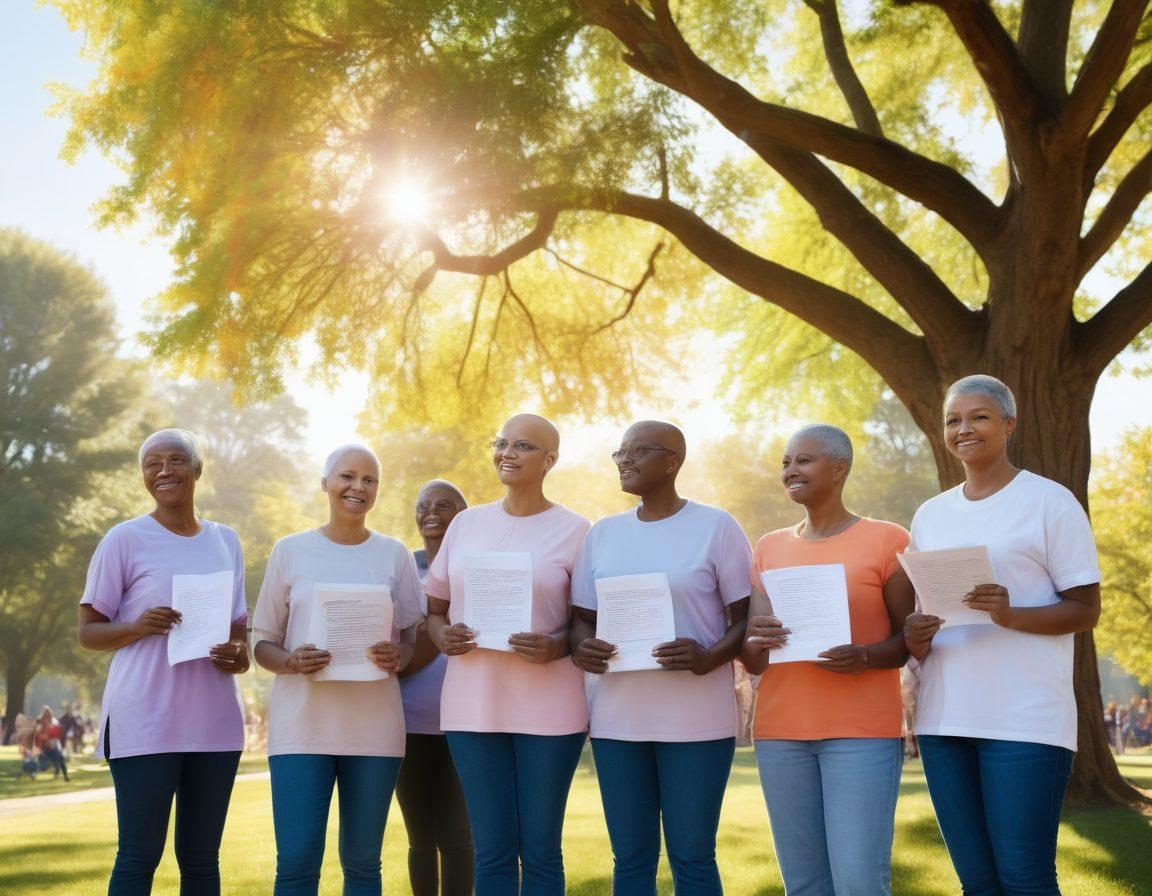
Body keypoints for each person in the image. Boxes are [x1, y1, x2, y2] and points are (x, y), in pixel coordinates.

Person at [903, 375, 1101, 895]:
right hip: (945, 718)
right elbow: (928, 612)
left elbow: (1085, 609)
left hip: (1026, 718)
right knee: (977, 882)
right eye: (953, 420)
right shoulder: (930, 514)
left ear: (1009, 425)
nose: (964, 428)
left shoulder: (1049, 502)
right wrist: (915, 633)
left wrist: (1013, 615)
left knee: (1024, 876)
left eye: (979, 417)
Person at [570, 421, 752, 896]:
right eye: (619, 453)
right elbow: (582, 619)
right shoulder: (602, 533)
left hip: (697, 720)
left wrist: (707, 656)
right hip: (617, 721)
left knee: (692, 855)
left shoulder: (716, 526)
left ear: (672, 461)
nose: (624, 461)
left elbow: (745, 618)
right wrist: (583, 647)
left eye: (637, 452)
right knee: (630, 859)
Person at [741, 424, 913, 896]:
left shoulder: (887, 539)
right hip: (780, 734)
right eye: (785, 462)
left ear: (839, 468)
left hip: (861, 735)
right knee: (804, 884)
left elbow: (910, 639)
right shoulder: (769, 546)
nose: (790, 470)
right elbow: (754, 657)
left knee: (858, 882)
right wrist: (759, 638)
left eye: (803, 460)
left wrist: (865, 656)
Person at [78, 428, 250, 896]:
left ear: (196, 470)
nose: (164, 471)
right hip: (144, 720)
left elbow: (239, 631)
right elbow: (88, 631)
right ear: (143, 477)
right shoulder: (124, 539)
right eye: (152, 464)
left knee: (201, 860)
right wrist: (136, 626)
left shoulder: (225, 540)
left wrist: (238, 656)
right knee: (139, 856)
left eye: (176, 460)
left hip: (214, 722)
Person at [425, 414, 590, 896]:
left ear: (550, 460)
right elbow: (434, 611)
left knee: (540, 850)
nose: (507, 453)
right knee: (492, 849)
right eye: (501, 443)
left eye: (523, 445)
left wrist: (554, 644)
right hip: (472, 706)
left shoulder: (578, 530)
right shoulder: (465, 525)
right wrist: (442, 636)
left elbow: (588, 622)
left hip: (551, 710)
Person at [252, 443, 423, 896]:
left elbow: (412, 636)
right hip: (301, 729)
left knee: (364, 864)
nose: (358, 487)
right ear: (325, 483)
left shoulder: (395, 555)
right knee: (296, 864)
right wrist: (290, 661)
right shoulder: (290, 551)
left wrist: (399, 657)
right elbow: (261, 641)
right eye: (348, 476)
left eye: (370, 480)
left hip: (375, 729)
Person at [396, 480, 475, 896]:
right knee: (420, 838)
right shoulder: (402, 569)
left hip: (466, 723)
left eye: (444, 505)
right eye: (423, 504)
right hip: (407, 724)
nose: (431, 512)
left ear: (464, 513)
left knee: (459, 836)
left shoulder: (476, 569)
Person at [34, 706, 70, 780]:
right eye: (46, 715)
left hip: (54, 748)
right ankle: (33, 773)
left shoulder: (54, 724)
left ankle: (65, 776)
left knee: (60, 759)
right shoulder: (40, 725)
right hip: (45, 749)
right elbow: (38, 737)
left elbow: (59, 735)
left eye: (49, 715)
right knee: (43, 766)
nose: (48, 717)